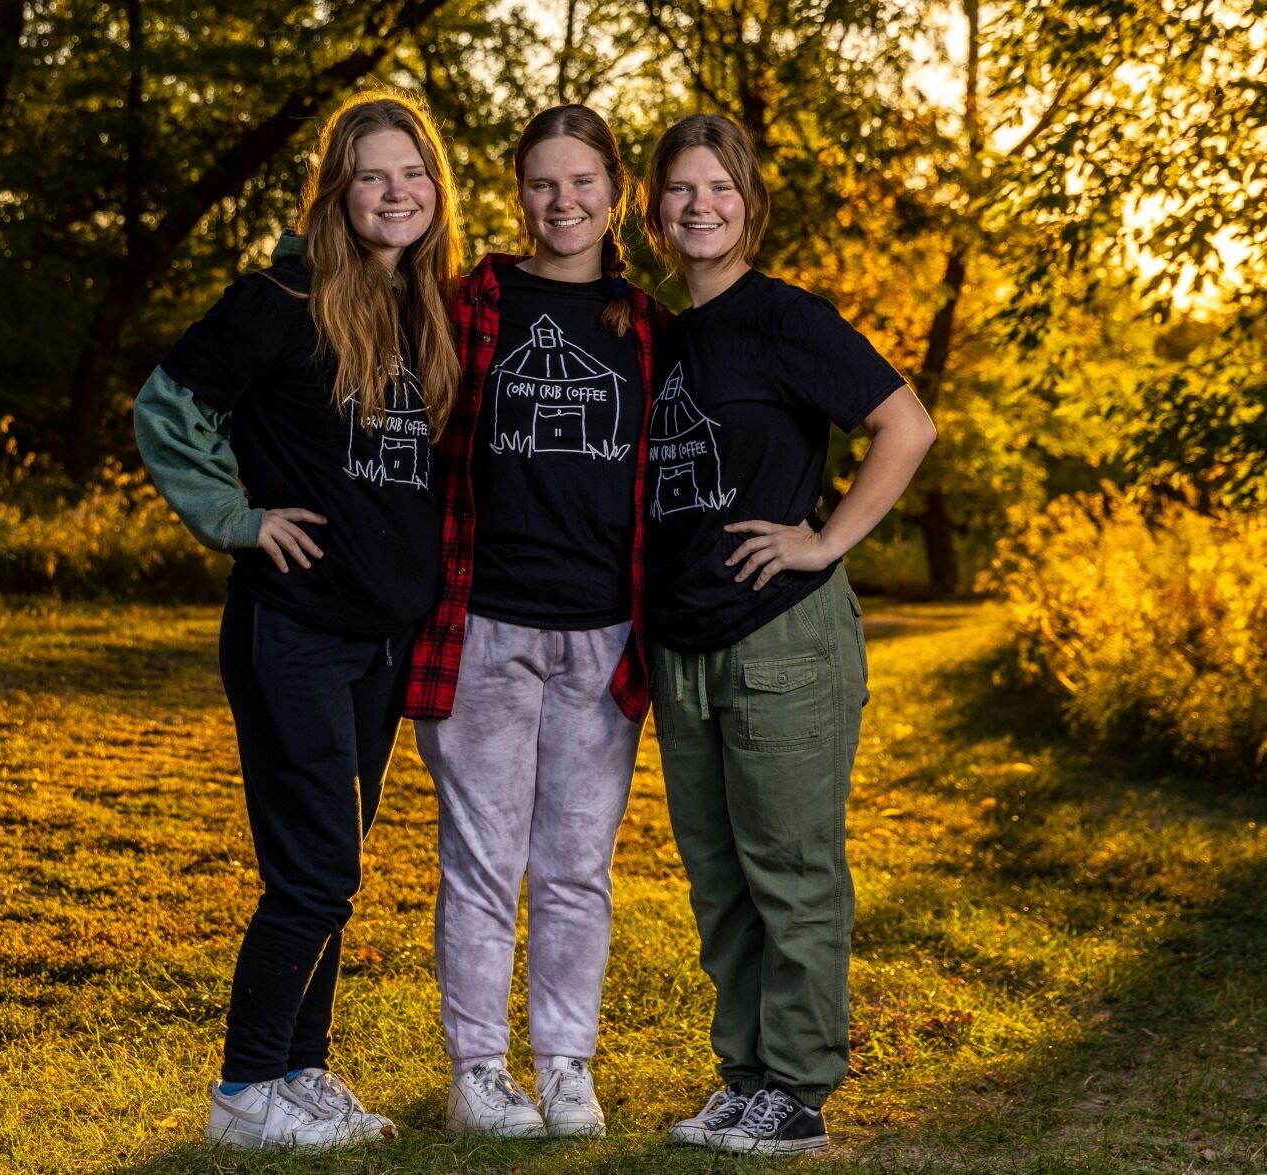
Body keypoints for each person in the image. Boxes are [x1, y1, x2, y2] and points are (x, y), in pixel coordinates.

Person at [132, 89, 463, 1151]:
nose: (394, 192)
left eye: (411, 174)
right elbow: (166, 408)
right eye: (372, 174)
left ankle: (300, 1073)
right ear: (336, 188)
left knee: (336, 869)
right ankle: (242, 1091)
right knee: (314, 870)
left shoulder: (423, 309)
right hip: (295, 630)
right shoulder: (278, 298)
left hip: (379, 641)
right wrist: (236, 515)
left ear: (432, 190)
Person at [640, 113, 936, 1155]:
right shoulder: (663, 335)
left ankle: (800, 1090)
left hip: (779, 636)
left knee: (789, 869)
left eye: (718, 187)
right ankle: (744, 1076)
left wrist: (824, 540)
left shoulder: (784, 319)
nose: (698, 206)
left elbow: (906, 423)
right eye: (679, 189)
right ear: (654, 209)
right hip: (684, 646)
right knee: (717, 877)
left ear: (748, 203)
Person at [404, 103, 670, 1140]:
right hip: (482, 626)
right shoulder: (471, 300)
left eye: (582, 183)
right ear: (518, 194)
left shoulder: (646, 323)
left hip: (603, 634)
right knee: (480, 858)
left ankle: (564, 1063)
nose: (562, 202)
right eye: (541, 184)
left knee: (574, 865)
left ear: (614, 193)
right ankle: (478, 1068)